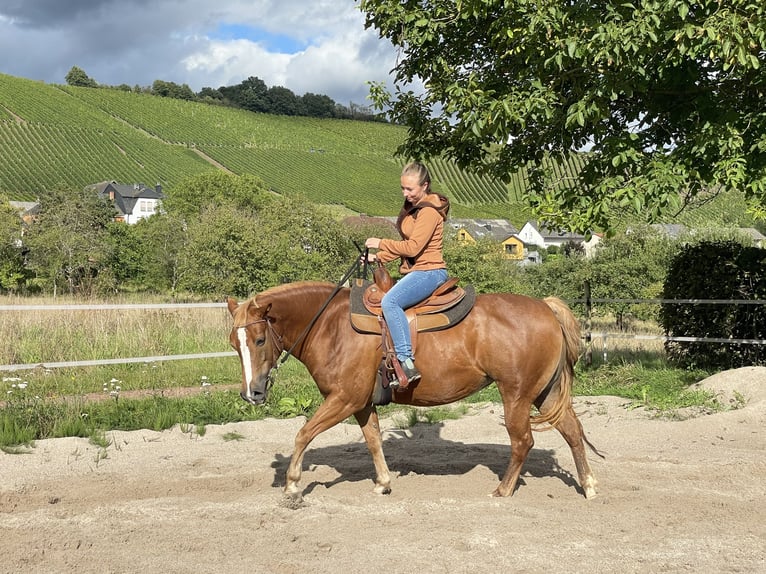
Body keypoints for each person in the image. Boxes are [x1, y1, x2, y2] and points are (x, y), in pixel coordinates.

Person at [365, 162, 450, 386]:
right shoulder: (416, 209)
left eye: (410, 189)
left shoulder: (429, 212)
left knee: (390, 302)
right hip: (417, 270)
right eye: (403, 188)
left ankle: (406, 362)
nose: (405, 193)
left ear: (425, 186)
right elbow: (406, 246)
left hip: (429, 271)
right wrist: (380, 256)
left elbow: (413, 248)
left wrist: (381, 242)